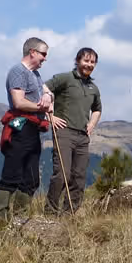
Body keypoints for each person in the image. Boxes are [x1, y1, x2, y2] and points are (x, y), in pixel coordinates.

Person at [0, 37, 54, 219]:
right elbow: (18, 102)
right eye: (43, 54)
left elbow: (47, 91)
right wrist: (42, 107)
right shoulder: (18, 72)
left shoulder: (35, 74)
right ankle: (1, 219)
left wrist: (48, 96)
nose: (45, 58)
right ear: (32, 52)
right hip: (21, 127)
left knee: (31, 178)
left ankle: (20, 219)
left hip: (33, 129)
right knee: (12, 173)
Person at [44, 47, 102, 215]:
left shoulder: (93, 87)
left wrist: (92, 124)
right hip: (64, 132)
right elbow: (44, 89)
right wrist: (50, 116)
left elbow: (97, 109)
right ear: (77, 61)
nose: (89, 65)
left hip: (83, 137)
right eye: (86, 61)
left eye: (92, 62)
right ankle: (50, 212)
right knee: (62, 175)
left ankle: (70, 214)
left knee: (79, 177)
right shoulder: (65, 78)